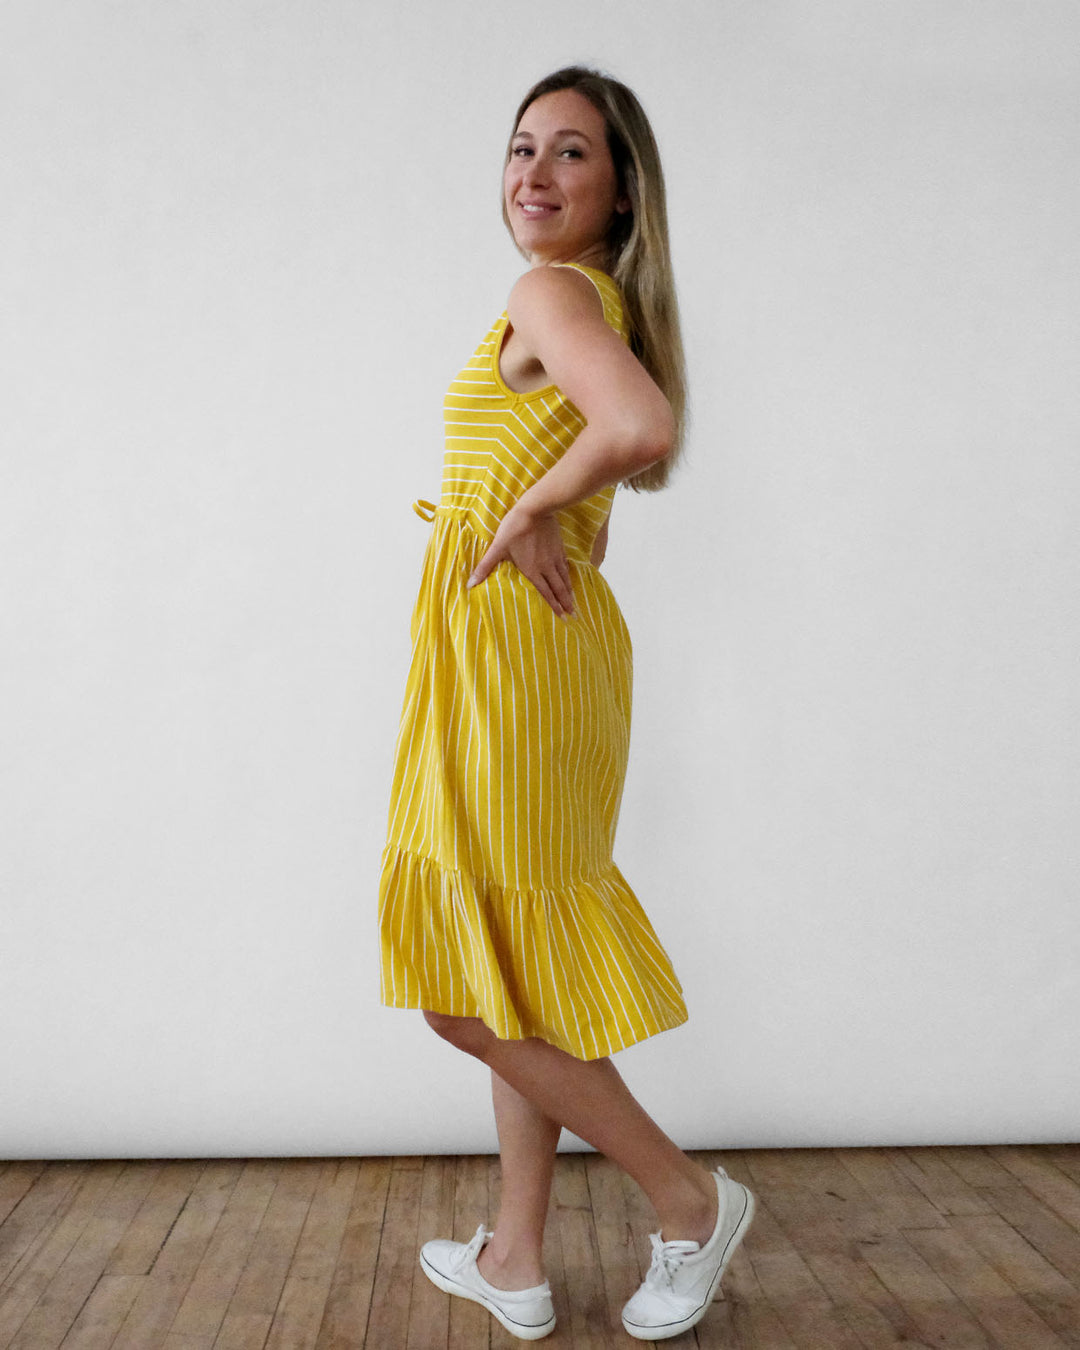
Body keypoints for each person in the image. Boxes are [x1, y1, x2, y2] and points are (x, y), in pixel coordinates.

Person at [377, 65, 754, 1342]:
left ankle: (689, 1199)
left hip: (516, 659)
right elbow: (616, 429)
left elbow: (640, 424)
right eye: (520, 146)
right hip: (535, 652)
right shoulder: (592, 299)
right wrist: (539, 504)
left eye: (571, 152)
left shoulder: (551, 292)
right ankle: (516, 1253)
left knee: (465, 989)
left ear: (622, 189)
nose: (533, 173)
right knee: (516, 964)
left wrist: (532, 505)